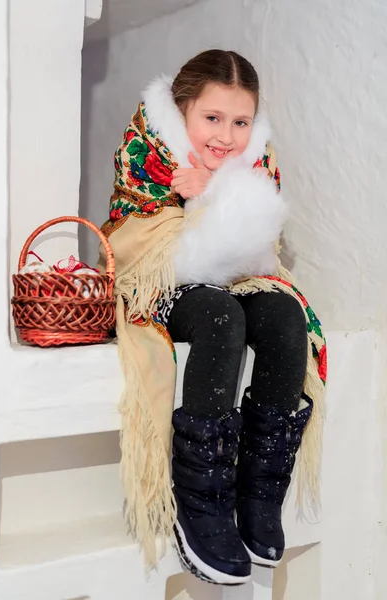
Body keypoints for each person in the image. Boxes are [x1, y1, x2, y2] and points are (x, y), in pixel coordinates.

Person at [98, 49, 327, 586]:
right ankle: (203, 500)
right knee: (221, 317)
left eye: (240, 121)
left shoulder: (252, 161)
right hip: (158, 277)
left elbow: (256, 249)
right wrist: (191, 202)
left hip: (230, 274)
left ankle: (259, 489)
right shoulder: (148, 145)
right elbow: (139, 243)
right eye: (212, 118)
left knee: (284, 316)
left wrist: (219, 195)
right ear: (183, 113)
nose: (225, 136)